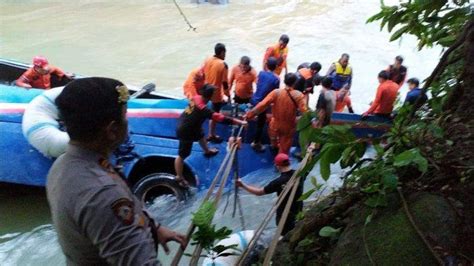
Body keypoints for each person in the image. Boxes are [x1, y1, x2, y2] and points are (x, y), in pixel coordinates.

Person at [48, 77, 186, 265]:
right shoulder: (102, 193)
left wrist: (154, 227)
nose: (127, 122)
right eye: (125, 116)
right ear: (112, 130)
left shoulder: (64, 164)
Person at [174, 84, 247, 187]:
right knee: (183, 155)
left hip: (187, 123)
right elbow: (220, 118)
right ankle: (179, 177)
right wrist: (239, 122)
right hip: (185, 130)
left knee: (200, 133)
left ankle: (207, 151)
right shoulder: (203, 109)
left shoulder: (196, 97)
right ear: (211, 97)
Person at [236, 153, 302, 235]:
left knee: (285, 236)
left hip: (285, 217)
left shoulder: (278, 182)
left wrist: (243, 185)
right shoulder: (300, 175)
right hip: (299, 211)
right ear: (289, 162)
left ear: (277, 166)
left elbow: (259, 192)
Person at [246, 73, 307, 155]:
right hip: (288, 126)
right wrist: (302, 120)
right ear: (295, 83)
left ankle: (274, 147)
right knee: (284, 146)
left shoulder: (276, 92)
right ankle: (281, 161)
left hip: (275, 124)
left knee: (273, 139)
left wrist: (250, 115)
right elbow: (305, 112)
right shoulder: (298, 96)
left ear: (284, 81)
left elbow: (262, 105)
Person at [250, 57, 280, 152]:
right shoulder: (276, 79)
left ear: (266, 65)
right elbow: (274, 93)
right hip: (262, 103)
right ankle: (256, 143)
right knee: (261, 123)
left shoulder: (261, 73)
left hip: (254, 99)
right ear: (276, 67)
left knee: (257, 117)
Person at [203, 43, 229, 143]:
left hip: (205, 91)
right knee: (214, 114)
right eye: (225, 53)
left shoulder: (207, 59)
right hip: (215, 94)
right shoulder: (223, 64)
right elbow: (225, 83)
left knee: (206, 111)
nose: (225, 55)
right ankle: (211, 134)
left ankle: (209, 133)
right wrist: (228, 95)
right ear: (222, 52)